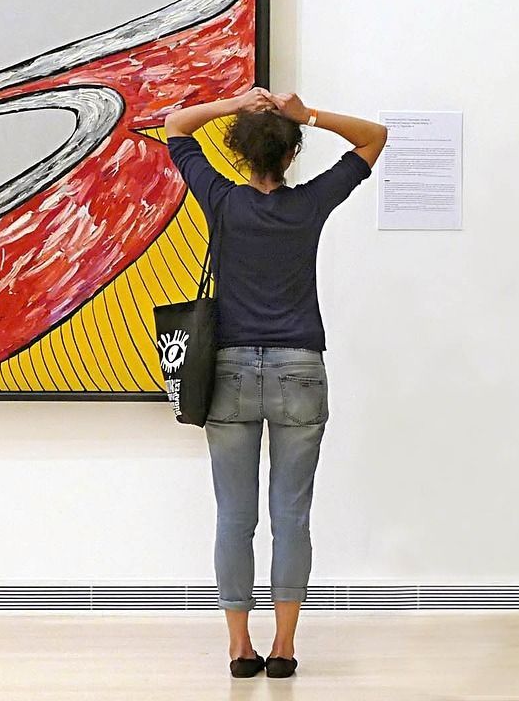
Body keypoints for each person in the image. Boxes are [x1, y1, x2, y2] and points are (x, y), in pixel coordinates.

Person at [164, 88, 387, 678]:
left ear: (239, 153)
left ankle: (240, 647)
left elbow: (176, 126)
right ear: (291, 156)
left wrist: (234, 103)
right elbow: (374, 137)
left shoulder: (221, 200)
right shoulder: (310, 204)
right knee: (292, 519)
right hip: (300, 371)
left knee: (234, 519)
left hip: (230, 372)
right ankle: (284, 645)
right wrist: (305, 113)